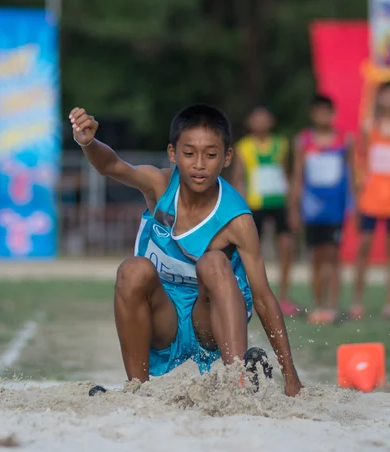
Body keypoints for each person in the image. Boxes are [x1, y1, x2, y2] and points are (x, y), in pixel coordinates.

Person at [69, 104, 302, 396]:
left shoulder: (238, 220)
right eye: (189, 154)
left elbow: (263, 296)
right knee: (132, 269)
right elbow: (112, 166)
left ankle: (238, 383)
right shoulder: (160, 186)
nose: (199, 164)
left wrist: (290, 374)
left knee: (215, 261)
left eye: (211, 154)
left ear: (227, 157)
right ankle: (138, 390)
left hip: (210, 320)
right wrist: (87, 141)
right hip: (164, 315)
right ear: (172, 154)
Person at [289, 95, 352, 324]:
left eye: (327, 112)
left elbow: (350, 175)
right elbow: (297, 176)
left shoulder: (345, 140)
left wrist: (351, 206)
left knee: (333, 257)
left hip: (336, 210)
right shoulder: (303, 141)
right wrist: (294, 208)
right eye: (318, 112)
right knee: (315, 258)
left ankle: (332, 307)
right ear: (312, 114)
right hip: (312, 210)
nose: (322, 116)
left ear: (332, 114)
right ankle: (318, 306)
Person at [232, 106, 299, 317]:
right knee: (250, 251)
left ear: (271, 121)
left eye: (265, 118)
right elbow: (238, 178)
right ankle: (249, 294)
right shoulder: (244, 147)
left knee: (286, 246)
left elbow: (286, 174)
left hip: (279, 202)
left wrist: (293, 206)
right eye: (256, 119)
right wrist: (239, 208)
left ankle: (284, 296)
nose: (261, 123)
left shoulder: (281, 144)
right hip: (255, 205)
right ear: (249, 123)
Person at [351, 81, 390, 320]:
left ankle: (388, 303)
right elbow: (360, 163)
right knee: (363, 248)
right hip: (370, 197)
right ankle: (357, 300)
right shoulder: (369, 125)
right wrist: (357, 195)